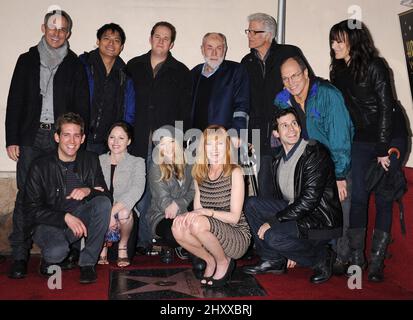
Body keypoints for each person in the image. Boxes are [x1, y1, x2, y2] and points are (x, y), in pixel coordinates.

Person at [5, 9, 89, 279]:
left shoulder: (75, 64)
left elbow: (81, 107)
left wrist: (77, 142)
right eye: (52, 28)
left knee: (64, 192)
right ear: (43, 28)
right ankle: (20, 255)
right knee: (25, 197)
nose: (57, 33)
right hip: (31, 137)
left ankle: (60, 249)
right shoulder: (26, 60)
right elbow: (15, 100)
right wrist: (12, 138)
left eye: (62, 29)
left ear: (68, 33)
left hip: (61, 139)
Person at [329, 20, 409, 282]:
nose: (334, 46)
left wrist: (384, 148)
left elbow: (386, 107)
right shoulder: (337, 72)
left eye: (339, 40)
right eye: (332, 41)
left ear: (353, 40)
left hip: (391, 133)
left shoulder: (375, 66)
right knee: (359, 196)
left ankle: (376, 263)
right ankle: (355, 259)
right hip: (361, 137)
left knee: (384, 196)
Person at [242, 108, 343, 284]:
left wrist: (274, 221)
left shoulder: (314, 152)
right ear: (276, 133)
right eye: (284, 125)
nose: (291, 129)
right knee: (251, 204)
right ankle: (273, 259)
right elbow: (279, 200)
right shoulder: (278, 160)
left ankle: (321, 257)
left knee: (273, 235)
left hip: (319, 220)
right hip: (296, 214)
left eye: (294, 123)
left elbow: (309, 201)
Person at [274, 56, 354, 274]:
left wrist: (339, 175)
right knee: (304, 206)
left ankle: (342, 256)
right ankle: (312, 253)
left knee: (340, 205)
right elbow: (280, 133)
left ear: (306, 73)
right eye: (286, 78)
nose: (291, 82)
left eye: (295, 76)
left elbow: (340, 138)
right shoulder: (283, 100)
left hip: (334, 163)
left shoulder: (328, 95)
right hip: (307, 165)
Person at [126, 21, 192, 252]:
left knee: (161, 190)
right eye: (157, 36)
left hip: (167, 145)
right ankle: (140, 241)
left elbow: (186, 110)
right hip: (137, 138)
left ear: (172, 43)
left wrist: (180, 142)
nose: (161, 41)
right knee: (138, 190)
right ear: (150, 38)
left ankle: (155, 237)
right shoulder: (133, 66)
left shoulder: (181, 72)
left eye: (166, 38)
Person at [24, 113, 111, 284]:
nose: (72, 141)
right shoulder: (39, 166)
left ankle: (87, 263)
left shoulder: (90, 159)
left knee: (103, 203)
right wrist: (64, 217)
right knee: (57, 252)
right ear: (56, 137)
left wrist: (88, 190)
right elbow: (31, 210)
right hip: (48, 222)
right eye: (66, 135)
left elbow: (105, 195)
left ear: (83, 138)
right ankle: (51, 258)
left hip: (79, 218)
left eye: (76, 135)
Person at [241, 13, 312, 197]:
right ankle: (266, 225)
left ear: (269, 35)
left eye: (254, 31)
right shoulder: (246, 62)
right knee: (260, 188)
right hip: (255, 135)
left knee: (290, 187)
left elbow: (308, 86)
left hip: (286, 130)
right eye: (248, 31)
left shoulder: (288, 53)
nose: (249, 35)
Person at [172, 125, 251, 287]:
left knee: (197, 222)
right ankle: (210, 261)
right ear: (204, 148)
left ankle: (224, 262)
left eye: (220, 144)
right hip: (210, 233)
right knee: (177, 227)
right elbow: (197, 211)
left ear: (226, 147)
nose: (215, 150)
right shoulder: (199, 173)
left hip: (236, 235)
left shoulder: (235, 172)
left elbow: (235, 217)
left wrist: (207, 212)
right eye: (210, 145)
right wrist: (185, 217)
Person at [80, 23, 135, 155]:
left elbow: (129, 111)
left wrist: (122, 137)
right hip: (80, 138)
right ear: (98, 41)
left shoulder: (125, 75)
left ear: (121, 47)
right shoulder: (82, 65)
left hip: (107, 143)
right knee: (73, 175)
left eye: (116, 41)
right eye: (106, 38)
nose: (111, 43)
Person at [98, 122, 145, 267]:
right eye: (112, 137)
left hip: (125, 215)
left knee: (124, 212)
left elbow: (137, 189)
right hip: (101, 211)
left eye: (121, 138)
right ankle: (102, 246)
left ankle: (122, 246)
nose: (115, 142)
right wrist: (106, 212)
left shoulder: (137, 162)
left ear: (129, 141)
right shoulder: (98, 160)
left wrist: (112, 212)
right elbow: (94, 190)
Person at [147, 125, 195, 262]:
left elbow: (194, 190)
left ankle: (195, 252)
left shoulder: (190, 161)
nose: (167, 148)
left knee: (194, 226)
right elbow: (165, 204)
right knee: (173, 234)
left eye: (171, 142)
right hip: (162, 215)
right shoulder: (156, 166)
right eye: (163, 144)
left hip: (187, 210)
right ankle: (175, 245)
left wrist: (179, 204)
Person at [191, 32, 249, 135]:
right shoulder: (193, 73)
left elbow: (242, 106)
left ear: (225, 49)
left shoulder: (236, 71)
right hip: (196, 139)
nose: (214, 53)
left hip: (224, 140)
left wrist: (237, 135)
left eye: (219, 48)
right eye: (209, 48)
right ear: (202, 49)